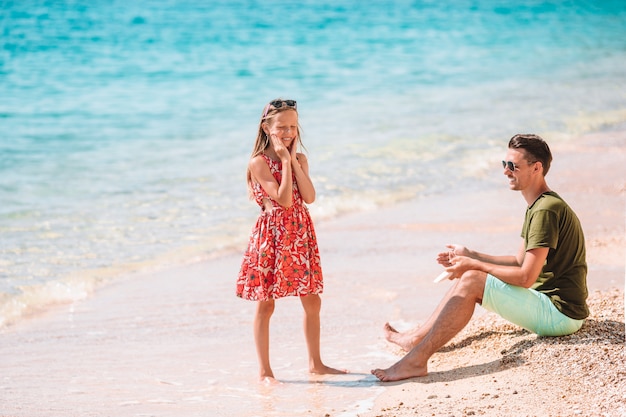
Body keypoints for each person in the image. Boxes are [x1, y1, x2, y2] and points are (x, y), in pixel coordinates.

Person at [371, 133, 589, 382]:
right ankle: (415, 339)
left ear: (536, 168)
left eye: (513, 166)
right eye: (504, 164)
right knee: (473, 275)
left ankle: (416, 361)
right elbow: (519, 262)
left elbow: (526, 277)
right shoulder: (540, 206)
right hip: (555, 307)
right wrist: (471, 254)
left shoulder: (545, 210)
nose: (506, 172)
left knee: (473, 279)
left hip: (560, 314)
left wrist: (473, 265)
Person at [236, 99, 346, 383]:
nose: (288, 133)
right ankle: (265, 371)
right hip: (271, 237)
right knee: (266, 304)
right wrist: (285, 161)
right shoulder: (258, 163)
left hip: (299, 233)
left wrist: (294, 162)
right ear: (266, 128)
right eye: (282, 127)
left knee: (312, 300)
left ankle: (316, 363)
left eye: (293, 127)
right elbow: (283, 200)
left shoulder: (301, 160)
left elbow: (308, 197)